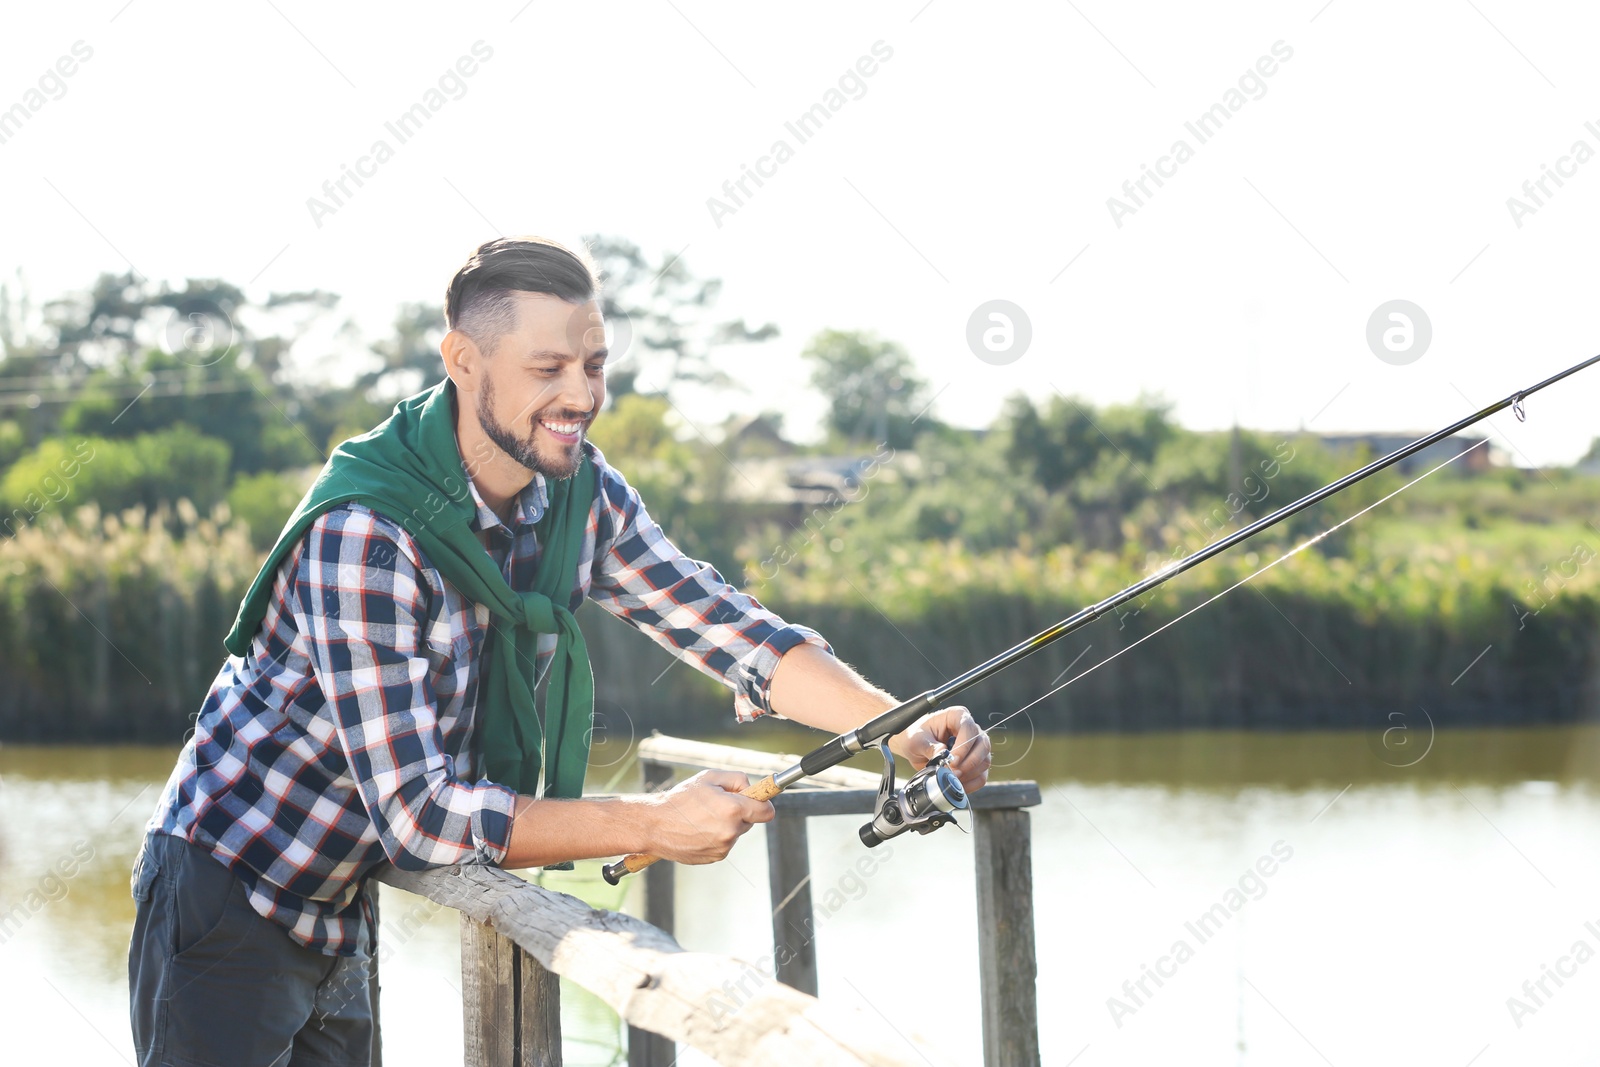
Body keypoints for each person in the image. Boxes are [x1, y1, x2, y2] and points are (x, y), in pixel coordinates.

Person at [126, 235, 991, 1067]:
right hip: (226, 890)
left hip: (335, 894)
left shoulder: (580, 491)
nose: (581, 393)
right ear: (464, 361)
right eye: (549, 369)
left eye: (595, 364)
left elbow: (727, 627)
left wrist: (895, 725)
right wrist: (653, 824)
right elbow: (422, 816)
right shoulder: (369, 534)